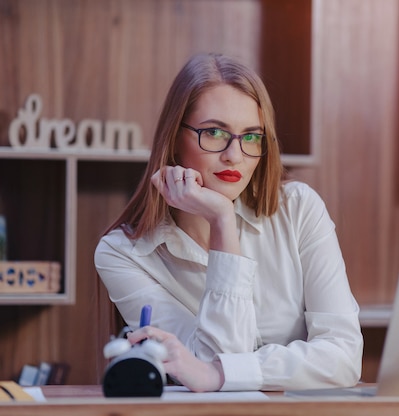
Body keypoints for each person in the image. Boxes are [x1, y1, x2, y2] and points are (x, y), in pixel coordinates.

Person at [94, 52, 363, 392]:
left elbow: (344, 357)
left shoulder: (299, 208)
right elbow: (206, 362)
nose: (234, 155)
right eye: (214, 133)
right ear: (175, 138)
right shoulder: (123, 253)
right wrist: (222, 220)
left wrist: (220, 374)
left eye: (251, 137)